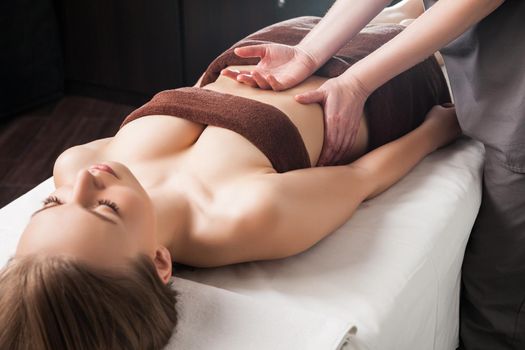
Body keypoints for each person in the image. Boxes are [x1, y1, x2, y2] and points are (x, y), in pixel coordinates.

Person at [0, 20, 460, 349]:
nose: (83, 182)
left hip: (284, 43)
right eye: (105, 210)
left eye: (52, 202)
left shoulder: (76, 163)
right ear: (160, 263)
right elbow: (362, 179)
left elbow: (200, 94)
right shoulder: (238, 215)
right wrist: (441, 128)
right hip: (381, 77)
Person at [223, 0, 525, 348]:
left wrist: (357, 84)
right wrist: (307, 53)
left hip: (510, 101)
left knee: (496, 306)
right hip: (476, 68)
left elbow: (359, 179)